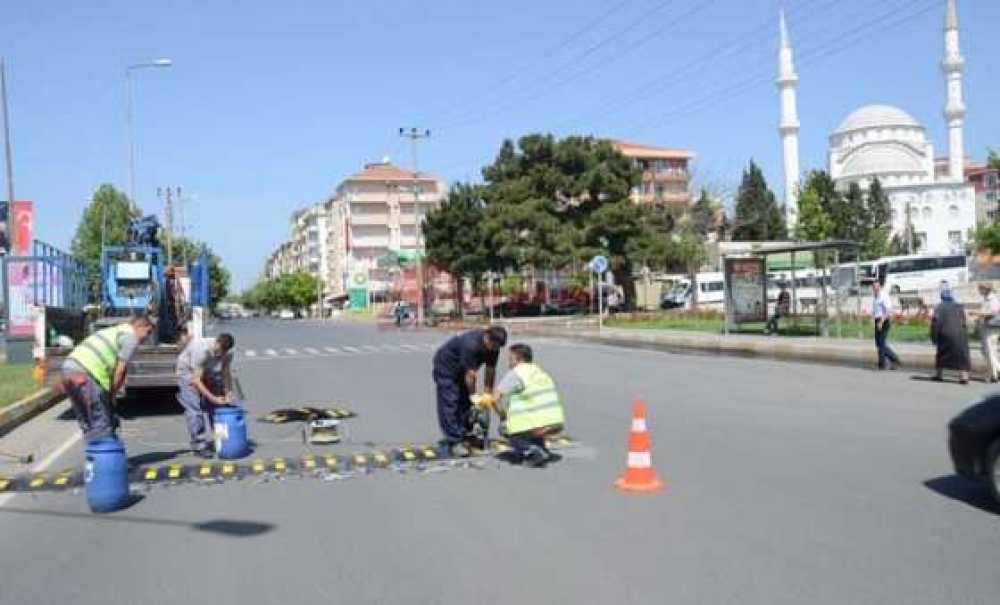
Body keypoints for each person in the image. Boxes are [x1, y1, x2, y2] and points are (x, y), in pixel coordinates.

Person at [59, 315, 155, 442]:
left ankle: (94, 451)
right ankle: (106, 452)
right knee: (101, 420)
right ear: (139, 326)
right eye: (148, 332)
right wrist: (112, 395)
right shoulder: (131, 337)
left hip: (68, 369)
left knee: (86, 420)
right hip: (87, 372)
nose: (147, 338)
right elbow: (120, 371)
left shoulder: (114, 331)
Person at [480, 343, 565, 468]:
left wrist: (503, 416)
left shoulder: (517, 373)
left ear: (518, 359)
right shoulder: (539, 371)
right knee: (529, 426)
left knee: (507, 429)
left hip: (536, 423)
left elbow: (495, 399)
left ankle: (533, 451)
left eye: (510, 359)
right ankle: (541, 448)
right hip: (555, 421)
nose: (509, 363)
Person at [432, 326, 507, 457]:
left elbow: (490, 370)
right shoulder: (471, 345)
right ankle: (454, 441)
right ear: (487, 337)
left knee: (465, 403)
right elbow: (470, 376)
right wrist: (474, 396)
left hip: (464, 370)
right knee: (451, 401)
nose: (495, 350)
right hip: (447, 367)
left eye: (498, 347)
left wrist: (487, 396)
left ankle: (463, 433)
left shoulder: (494, 347)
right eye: (494, 346)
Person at [176, 332, 236, 457]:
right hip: (188, 372)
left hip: (208, 370)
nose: (220, 355)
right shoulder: (201, 349)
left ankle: (220, 439)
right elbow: (196, 380)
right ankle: (199, 445)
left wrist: (228, 392)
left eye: (223, 353)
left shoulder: (228, 353)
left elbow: (225, 372)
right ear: (216, 342)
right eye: (218, 351)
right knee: (195, 409)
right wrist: (213, 398)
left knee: (219, 408)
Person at [931, 283, 971, 384]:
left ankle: (939, 375)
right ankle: (964, 377)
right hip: (960, 334)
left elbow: (936, 323)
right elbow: (964, 322)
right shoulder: (959, 306)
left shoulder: (939, 307)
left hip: (945, 334)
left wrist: (934, 337)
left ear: (941, 296)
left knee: (941, 354)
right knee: (962, 355)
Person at [872, 281, 901, 370]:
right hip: (878, 320)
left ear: (880, 287)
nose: (875, 288)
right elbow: (876, 310)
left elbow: (888, 311)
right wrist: (873, 318)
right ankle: (892, 360)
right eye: (874, 287)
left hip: (884, 320)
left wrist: (881, 321)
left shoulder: (884, 296)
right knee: (878, 343)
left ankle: (883, 363)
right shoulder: (875, 297)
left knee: (881, 343)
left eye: (877, 286)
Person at [976, 283, 1000, 383]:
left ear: (985, 289)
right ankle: (995, 373)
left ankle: (995, 374)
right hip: (986, 327)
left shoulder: (993, 299)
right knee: (987, 351)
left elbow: (993, 312)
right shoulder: (986, 299)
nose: (979, 291)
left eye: (980, 289)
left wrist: (978, 314)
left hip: (991, 328)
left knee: (990, 351)